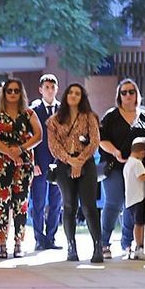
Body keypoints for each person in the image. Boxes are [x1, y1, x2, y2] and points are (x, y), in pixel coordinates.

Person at [97, 79, 145, 259]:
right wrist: (115, 152)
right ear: (119, 96)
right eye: (124, 92)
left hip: (139, 169)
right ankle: (103, 242)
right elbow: (101, 139)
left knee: (134, 206)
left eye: (131, 91)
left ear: (137, 94)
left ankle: (128, 243)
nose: (128, 95)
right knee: (113, 203)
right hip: (115, 167)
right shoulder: (112, 115)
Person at [47, 82, 103, 263]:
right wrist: (70, 160)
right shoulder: (54, 120)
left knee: (89, 206)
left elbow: (95, 141)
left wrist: (79, 162)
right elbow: (53, 146)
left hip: (86, 163)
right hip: (64, 164)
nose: (73, 95)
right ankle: (71, 246)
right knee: (69, 205)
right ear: (65, 96)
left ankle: (97, 246)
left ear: (82, 97)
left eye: (77, 93)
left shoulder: (89, 117)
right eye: (70, 92)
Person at [0, 78, 43, 259]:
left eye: (16, 91)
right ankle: (1, 243)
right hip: (1, 162)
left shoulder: (28, 114)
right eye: (9, 91)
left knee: (21, 202)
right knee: (2, 201)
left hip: (24, 161)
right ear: (4, 94)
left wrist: (19, 150)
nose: (12, 94)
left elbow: (39, 135)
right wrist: (9, 153)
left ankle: (18, 242)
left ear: (21, 93)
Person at [28, 74, 64, 250]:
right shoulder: (34, 110)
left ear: (57, 89)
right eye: (46, 87)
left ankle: (51, 237)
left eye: (52, 87)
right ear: (41, 90)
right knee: (39, 201)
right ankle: (38, 238)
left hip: (58, 161)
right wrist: (32, 161)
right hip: (40, 161)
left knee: (56, 201)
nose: (50, 90)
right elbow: (30, 137)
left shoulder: (62, 110)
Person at [124, 137, 145, 259]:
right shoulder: (137, 163)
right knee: (140, 223)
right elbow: (142, 177)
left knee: (138, 223)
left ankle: (140, 244)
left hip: (131, 198)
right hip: (139, 197)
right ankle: (140, 245)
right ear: (142, 153)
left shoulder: (128, 163)